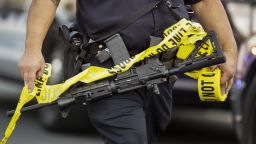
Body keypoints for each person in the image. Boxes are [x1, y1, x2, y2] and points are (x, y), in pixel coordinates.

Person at [18, 0, 237, 143]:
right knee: (129, 138)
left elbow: (204, 2)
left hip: (162, 70)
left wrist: (229, 49)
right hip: (107, 70)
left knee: (146, 135)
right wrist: (32, 50)